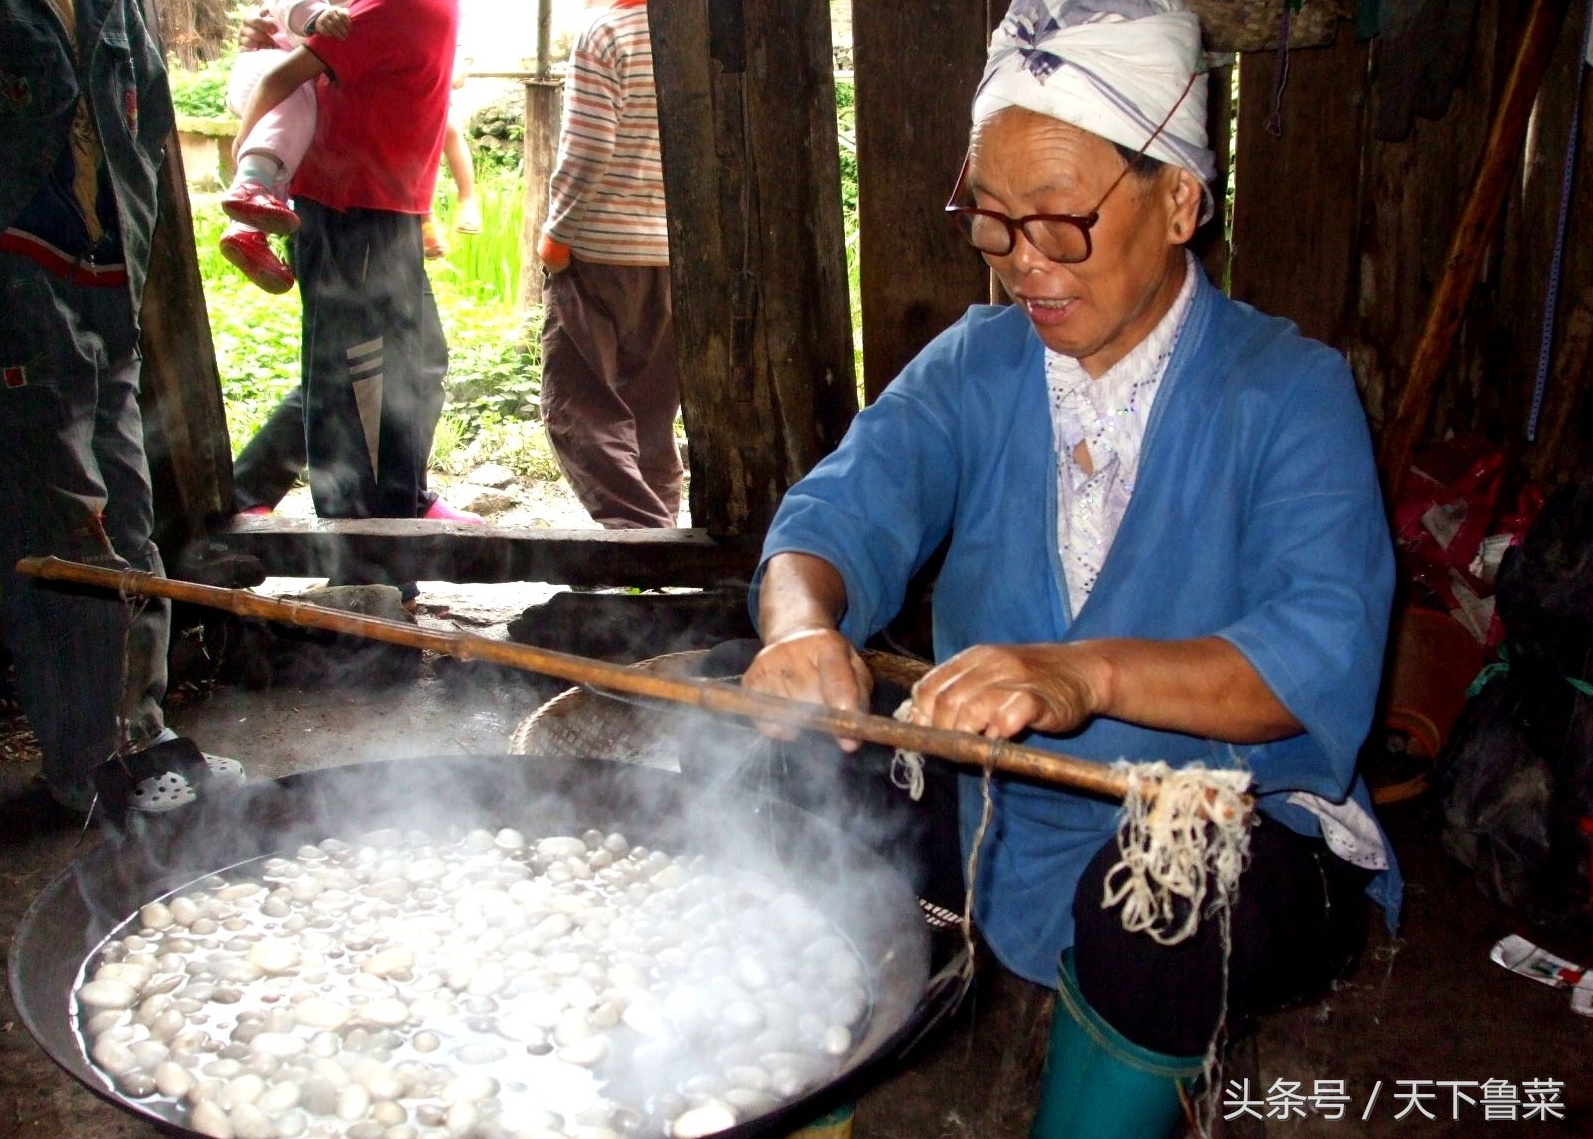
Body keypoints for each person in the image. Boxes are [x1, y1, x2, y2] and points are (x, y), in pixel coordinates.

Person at [740, 2, 1401, 1135]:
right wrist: (801, 629)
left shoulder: (1289, 391)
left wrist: (1081, 672)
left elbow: (1312, 655)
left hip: (1242, 820)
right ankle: (780, 1100)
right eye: (993, 224)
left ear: (1178, 200)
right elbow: (834, 520)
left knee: (1162, 902)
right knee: (778, 750)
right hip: (999, 805)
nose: (1025, 265)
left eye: (1061, 224)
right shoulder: (977, 366)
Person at [0, 0, 246, 818]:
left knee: (129, 516)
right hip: (20, 275)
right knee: (64, 526)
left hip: (106, 278)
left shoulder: (117, 7)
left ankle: (138, 736)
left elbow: (145, 134)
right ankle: (84, 764)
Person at [233, 0, 460, 535]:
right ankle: (359, 556)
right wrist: (246, 160)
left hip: (388, 212)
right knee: (354, 383)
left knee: (416, 365)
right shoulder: (386, 8)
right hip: (347, 213)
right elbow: (282, 78)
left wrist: (422, 215)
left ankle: (399, 505)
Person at [537, 0, 681, 530]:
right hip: (674, 255)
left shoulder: (609, 31)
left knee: (583, 409)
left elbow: (589, 147)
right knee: (651, 415)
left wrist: (558, 233)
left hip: (600, 255)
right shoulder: (694, 29)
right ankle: (664, 550)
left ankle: (643, 542)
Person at [217, 0, 352, 294]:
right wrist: (318, 17)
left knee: (285, 144)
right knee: (297, 99)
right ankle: (251, 182)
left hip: (269, 73)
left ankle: (247, 232)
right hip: (267, 69)